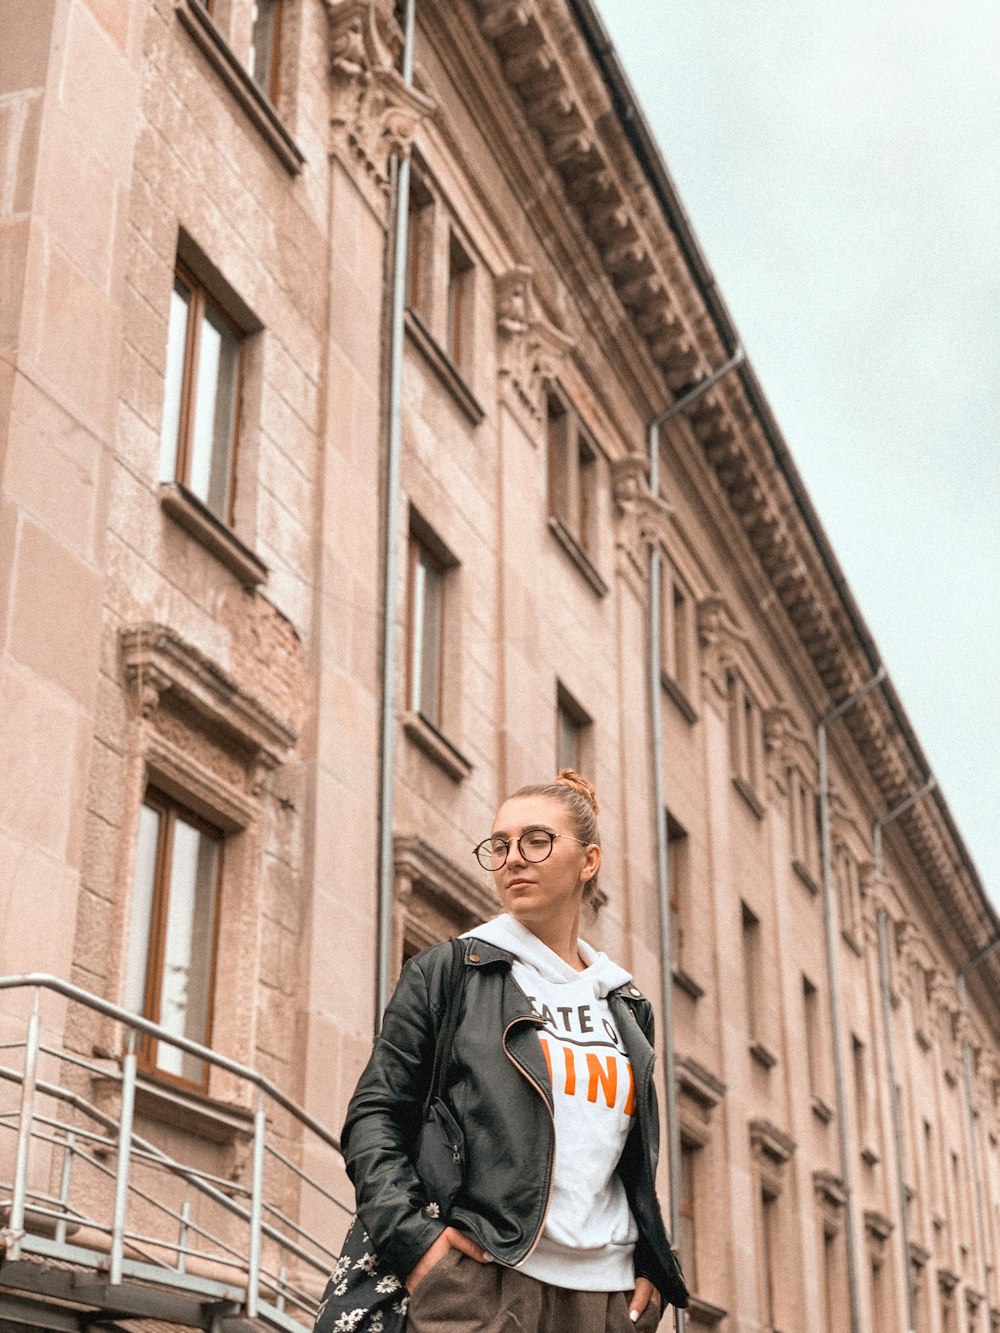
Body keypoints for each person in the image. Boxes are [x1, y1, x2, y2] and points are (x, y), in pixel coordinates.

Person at [341, 770, 688, 1332]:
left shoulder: (624, 1002)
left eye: (536, 841)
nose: (513, 859)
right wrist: (417, 1248)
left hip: (607, 1298)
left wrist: (651, 1255)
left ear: (589, 860)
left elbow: (625, 1159)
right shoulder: (451, 972)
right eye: (500, 845)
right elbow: (375, 1115)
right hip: (485, 1281)